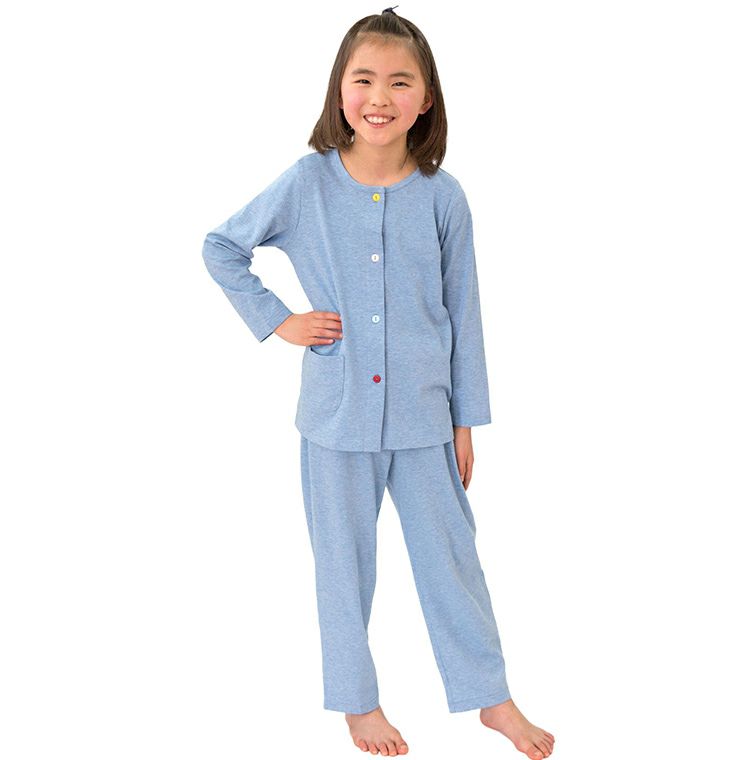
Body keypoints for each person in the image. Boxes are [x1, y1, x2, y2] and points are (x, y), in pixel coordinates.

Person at [202, 7, 555, 759]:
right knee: (343, 567)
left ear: (425, 99)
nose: (379, 97)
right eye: (363, 79)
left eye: (400, 82)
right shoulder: (307, 183)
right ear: (340, 90)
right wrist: (279, 321)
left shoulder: (444, 196)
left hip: (427, 419)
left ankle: (490, 697)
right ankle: (358, 704)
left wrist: (465, 420)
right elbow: (222, 247)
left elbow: (464, 312)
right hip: (336, 417)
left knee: (452, 562)